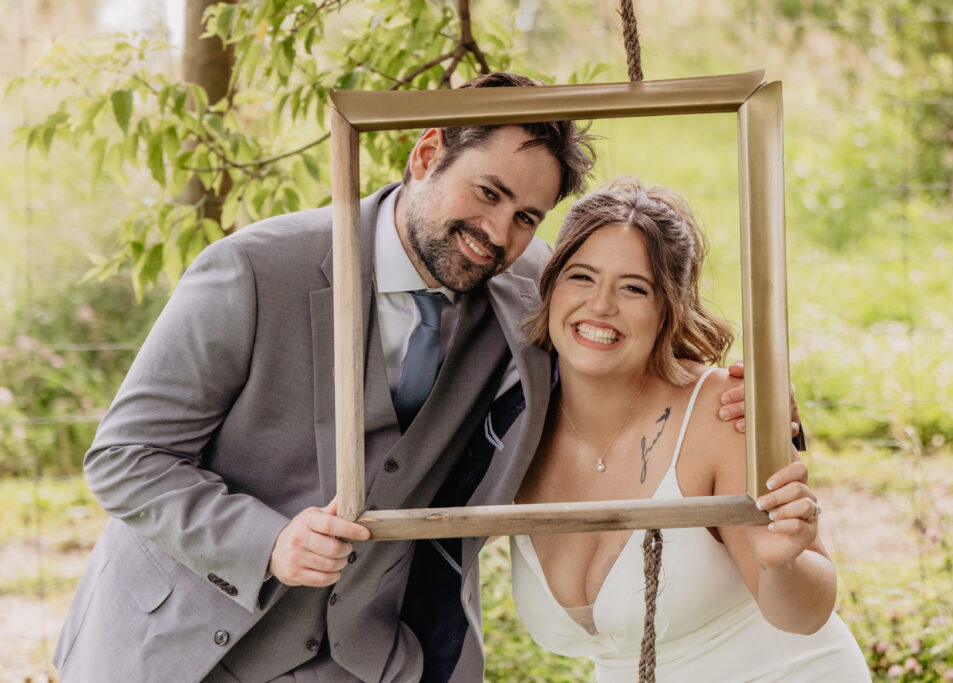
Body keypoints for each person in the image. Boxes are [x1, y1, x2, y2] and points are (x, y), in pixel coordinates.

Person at [53, 73, 768, 683]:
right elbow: (125, 458)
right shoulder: (252, 270)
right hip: (180, 645)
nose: (497, 232)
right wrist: (267, 541)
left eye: (525, 216)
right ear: (425, 153)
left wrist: (741, 399)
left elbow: (625, 329)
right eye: (486, 193)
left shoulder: (529, 288)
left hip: (362, 657)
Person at [511, 178, 870, 681]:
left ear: (669, 309)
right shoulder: (514, 430)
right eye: (581, 277)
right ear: (549, 287)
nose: (600, 305)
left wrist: (782, 565)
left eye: (634, 287)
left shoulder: (722, 413)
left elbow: (804, 616)